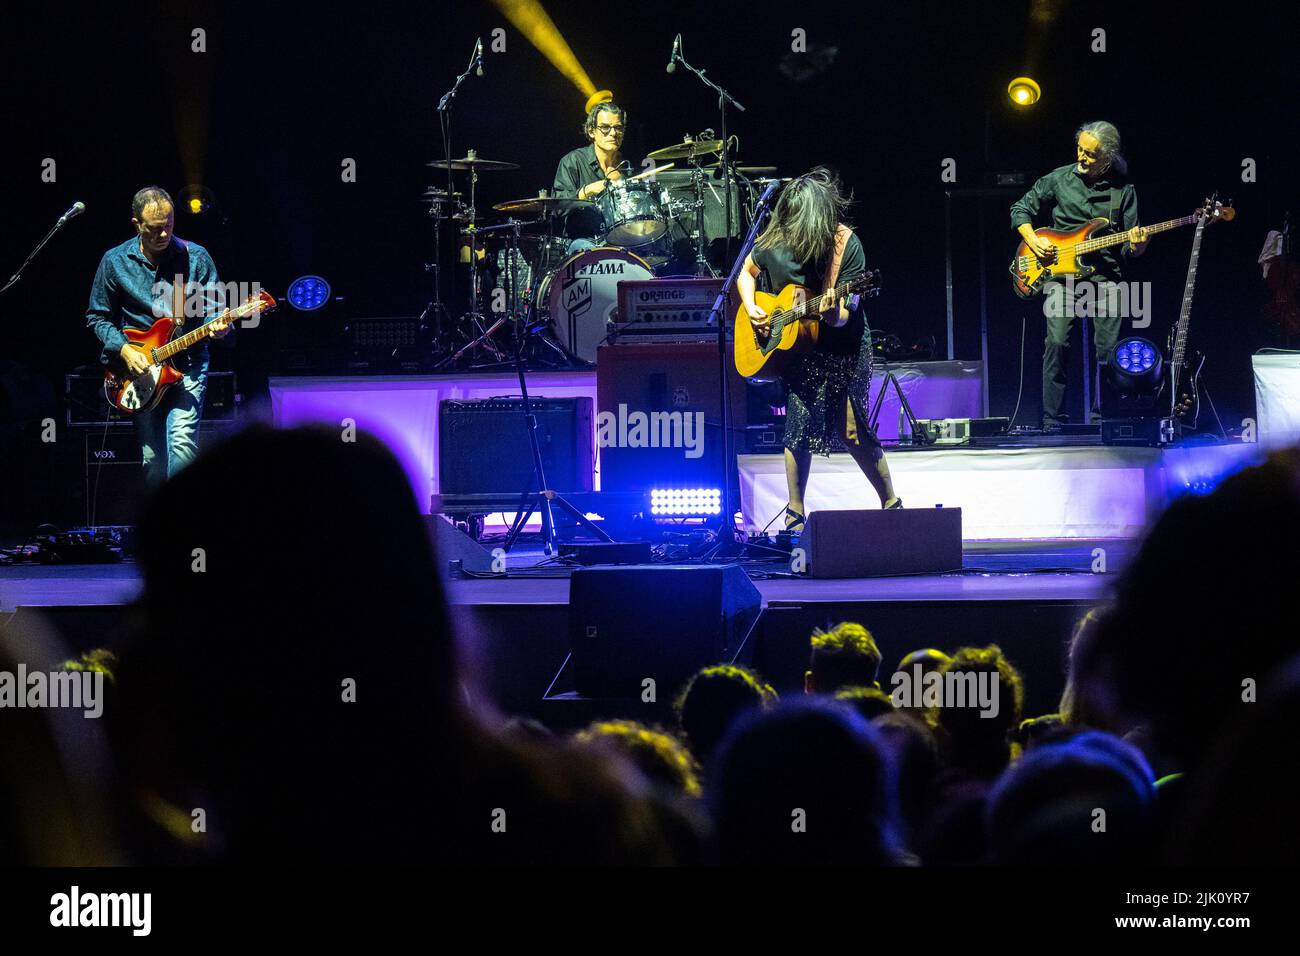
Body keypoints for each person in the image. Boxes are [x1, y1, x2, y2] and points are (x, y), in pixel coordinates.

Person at [736, 167, 900, 533]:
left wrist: (833, 315)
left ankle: (891, 503)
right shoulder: (775, 239)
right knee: (797, 426)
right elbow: (746, 273)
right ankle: (795, 513)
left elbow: (846, 313)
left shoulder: (845, 244)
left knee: (851, 429)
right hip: (799, 348)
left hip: (845, 345)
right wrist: (750, 306)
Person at [85, 186, 230, 486]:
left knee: (182, 442)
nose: (163, 235)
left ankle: (182, 527)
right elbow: (96, 317)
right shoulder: (114, 261)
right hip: (139, 370)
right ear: (137, 224)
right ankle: (159, 525)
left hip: (188, 363)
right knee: (152, 460)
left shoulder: (197, 257)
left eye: (168, 226)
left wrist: (220, 325)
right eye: (154, 229)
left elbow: (216, 309)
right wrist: (124, 350)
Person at [1010, 121, 1148, 431]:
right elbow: (1020, 208)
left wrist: (1138, 247)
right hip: (1060, 275)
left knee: (1108, 352)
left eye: (1090, 154)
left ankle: (1105, 420)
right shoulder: (1059, 178)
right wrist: (1035, 242)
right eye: (1080, 150)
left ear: (1108, 158)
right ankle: (1052, 421)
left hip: (1105, 277)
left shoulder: (1124, 191)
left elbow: (1128, 250)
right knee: (1056, 343)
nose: (1081, 158)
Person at [552, 101, 634, 254]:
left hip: (620, 238)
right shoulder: (573, 161)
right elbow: (557, 208)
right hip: (582, 241)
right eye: (605, 127)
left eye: (618, 127)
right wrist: (587, 190)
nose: (613, 133)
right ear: (591, 131)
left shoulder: (626, 166)